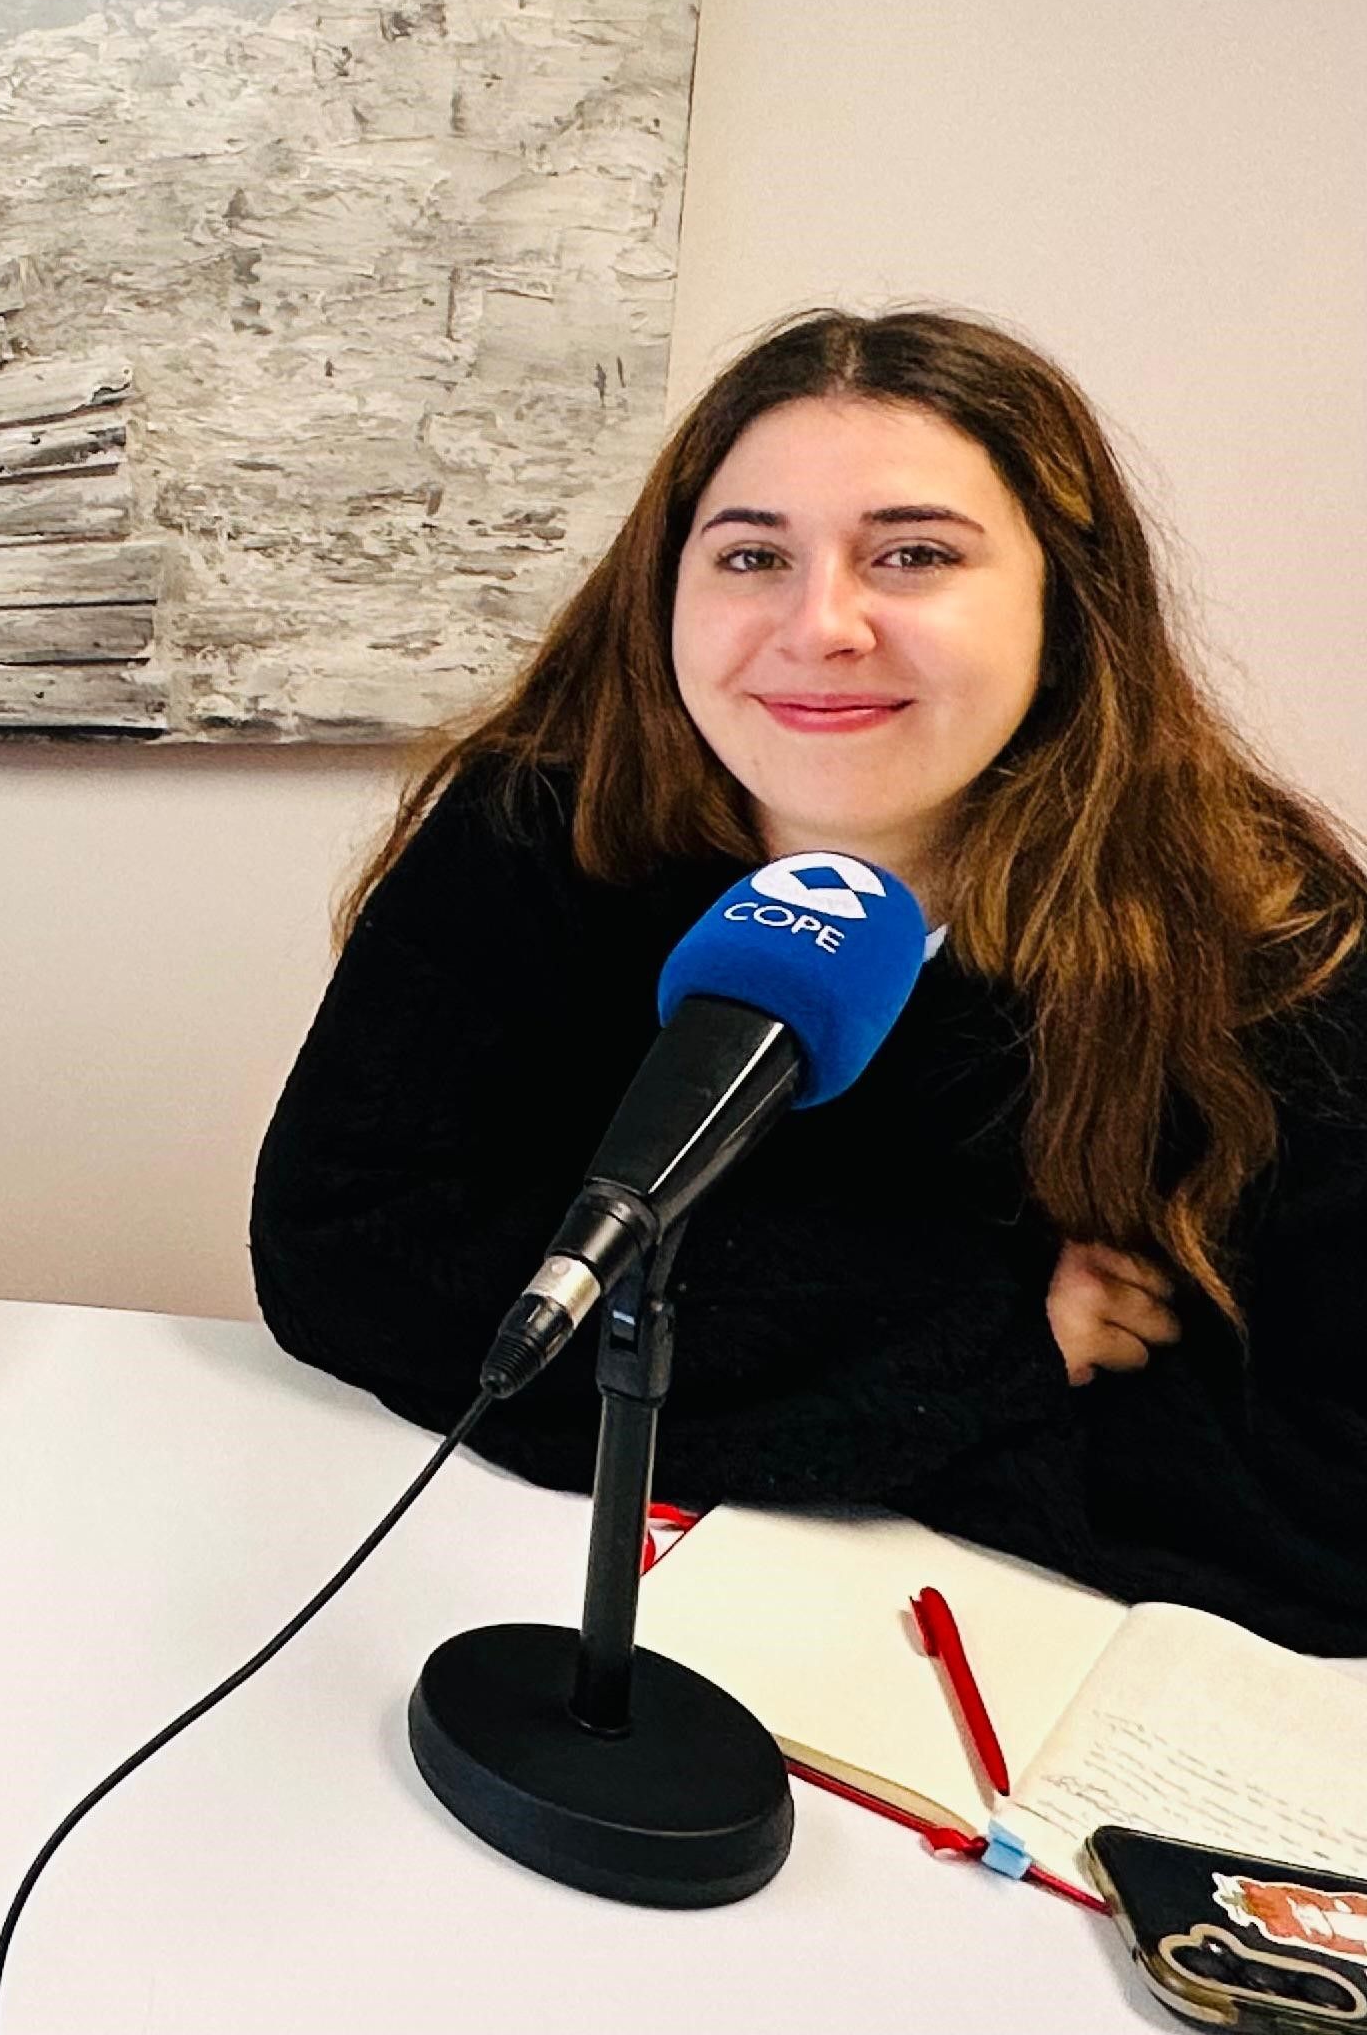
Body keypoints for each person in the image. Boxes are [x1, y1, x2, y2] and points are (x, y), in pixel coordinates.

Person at [252, 308, 1367, 1650]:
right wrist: (990, 1337)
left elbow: (1323, 1512)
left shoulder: (1273, 942)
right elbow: (347, 1257)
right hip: (523, 1588)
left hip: (1008, 1680)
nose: (823, 623)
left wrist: (780, 1387)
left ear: (1068, 604)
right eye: (752, 556)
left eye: (913, 555)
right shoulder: (540, 826)